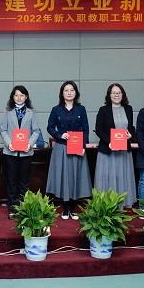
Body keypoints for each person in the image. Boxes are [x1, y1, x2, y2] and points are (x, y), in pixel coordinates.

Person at [46, 81, 92, 220]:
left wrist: (83, 146)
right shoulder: (56, 109)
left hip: (77, 147)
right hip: (61, 147)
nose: (69, 93)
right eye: (66, 90)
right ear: (62, 93)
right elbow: (49, 127)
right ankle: (65, 209)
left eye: (72, 90)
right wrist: (59, 135)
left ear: (76, 92)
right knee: (64, 177)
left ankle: (73, 208)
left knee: (76, 177)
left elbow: (86, 129)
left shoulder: (81, 109)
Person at [0, 85, 40, 219]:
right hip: (10, 152)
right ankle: (12, 208)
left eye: (22, 95)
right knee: (11, 181)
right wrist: (9, 143)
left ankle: (23, 208)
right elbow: (3, 130)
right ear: (13, 97)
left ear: (26, 97)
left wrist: (29, 144)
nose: (19, 97)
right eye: (16, 95)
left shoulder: (31, 112)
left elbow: (36, 131)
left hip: (26, 153)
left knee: (24, 182)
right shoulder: (7, 111)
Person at [94, 83, 137, 208]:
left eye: (118, 93)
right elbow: (99, 129)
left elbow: (131, 128)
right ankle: (106, 206)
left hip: (123, 152)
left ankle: (121, 204)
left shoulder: (128, 109)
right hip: (108, 151)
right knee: (108, 178)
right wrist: (110, 142)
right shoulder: (103, 110)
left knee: (123, 177)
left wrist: (131, 134)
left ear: (122, 95)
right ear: (109, 95)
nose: (116, 95)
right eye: (113, 93)